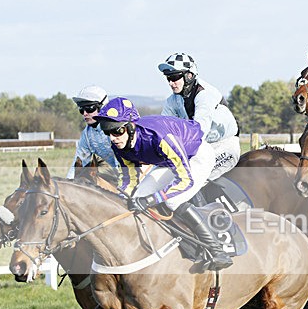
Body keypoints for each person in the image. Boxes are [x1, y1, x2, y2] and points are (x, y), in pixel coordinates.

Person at [94, 97, 231, 270]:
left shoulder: (159, 137)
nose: (113, 138)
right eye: (108, 133)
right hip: (166, 162)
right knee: (136, 197)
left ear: (130, 126)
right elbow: (129, 180)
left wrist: (152, 199)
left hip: (196, 156)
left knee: (172, 201)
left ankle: (217, 250)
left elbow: (185, 180)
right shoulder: (119, 147)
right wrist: (120, 201)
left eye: (117, 131)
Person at [159, 53, 240, 179]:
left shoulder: (204, 95)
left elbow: (199, 131)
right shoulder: (173, 100)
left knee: (192, 178)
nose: (171, 83)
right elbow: (162, 126)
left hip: (225, 146)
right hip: (205, 147)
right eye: (168, 78)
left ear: (189, 75)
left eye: (174, 77)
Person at [66, 85, 119, 179]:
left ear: (103, 107)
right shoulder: (86, 135)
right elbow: (78, 163)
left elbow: (121, 163)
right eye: (81, 110)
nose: (85, 113)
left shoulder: (115, 129)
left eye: (90, 108)